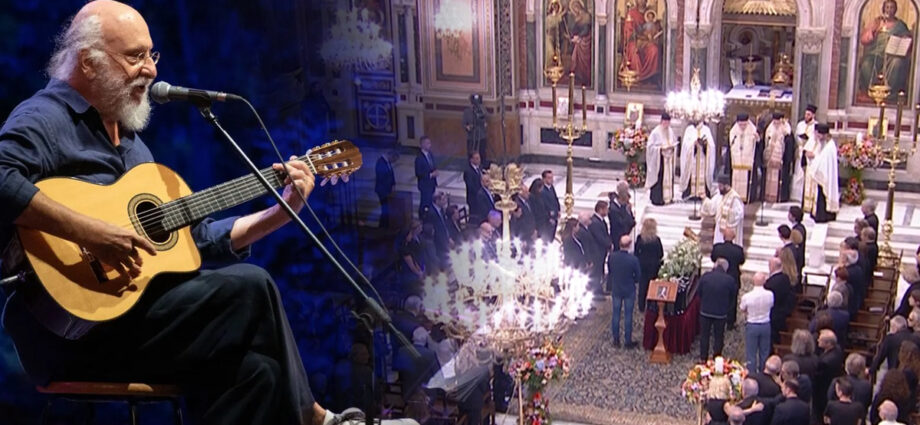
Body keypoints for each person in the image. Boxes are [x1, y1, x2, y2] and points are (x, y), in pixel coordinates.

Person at [0, 3, 416, 425]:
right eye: (135, 57)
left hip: (133, 320)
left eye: (152, 55)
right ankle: (319, 419)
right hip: (68, 334)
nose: (151, 70)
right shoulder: (45, 117)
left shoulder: (133, 147)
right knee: (251, 285)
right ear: (88, 62)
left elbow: (196, 240)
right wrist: (90, 233)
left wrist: (281, 212)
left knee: (258, 372)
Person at [857, 0, 912, 102]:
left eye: (891, 7)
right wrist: (874, 30)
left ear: (895, 10)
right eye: (887, 7)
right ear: (883, 9)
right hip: (875, 54)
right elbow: (864, 40)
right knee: (866, 64)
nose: (889, 10)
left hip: (893, 55)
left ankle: (890, 93)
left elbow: (908, 41)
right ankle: (872, 91)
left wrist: (903, 39)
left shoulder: (900, 25)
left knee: (897, 63)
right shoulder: (877, 22)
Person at [699, 259, 738, 361]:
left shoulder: (705, 277)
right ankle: (717, 358)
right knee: (719, 336)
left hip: (705, 311)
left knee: (704, 335)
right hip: (721, 313)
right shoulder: (730, 280)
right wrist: (727, 308)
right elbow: (733, 297)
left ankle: (703, 358)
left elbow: (699, 292)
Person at [608, 235, 641, 348]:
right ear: (630, 245)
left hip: (616, 288)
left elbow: (610, 271)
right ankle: (627, 340)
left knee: (616, 314)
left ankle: (616, 339)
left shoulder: (612, 257)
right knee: (628, 315)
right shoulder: (633, 260)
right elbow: (638, 276)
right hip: (629, 289)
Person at [803, 124, 839, 223]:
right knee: (820, 197)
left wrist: (815, 162)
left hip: (825, 177)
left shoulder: (830, 147)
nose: (818, 137)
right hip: (821, 176)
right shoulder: (824, 144)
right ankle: (818, 215)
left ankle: (823, 216)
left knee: (823, 197)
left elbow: (823, 162)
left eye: (819, 135)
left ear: (824, 135)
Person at [712, 227, 745, 329]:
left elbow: (713, 258)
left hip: (718, 277)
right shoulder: (738, 250)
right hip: (733, 277)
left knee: (718, 297)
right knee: (732, 300)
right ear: (734, 237)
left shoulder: (717, 248)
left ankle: (717, 319)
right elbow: (742, 261)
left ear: (723, 236)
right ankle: (730, 322)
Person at [740, 272, 773, 372]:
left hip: (752, 324)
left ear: (753, 281)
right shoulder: (770, 295)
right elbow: (771, 305)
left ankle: (751, 373)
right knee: (764, 352)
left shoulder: (747, 296)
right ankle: (764, 372)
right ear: (764, 281)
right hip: (765, 324)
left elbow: (742, 308)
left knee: (751, 353)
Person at [622, 0, 661, 83]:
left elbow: (655, 29)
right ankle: (636, 75)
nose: (642, 1)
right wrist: (638, 37)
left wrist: (652, 34)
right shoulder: (632, 13)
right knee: (633, 50)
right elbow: (628, 32)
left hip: (647, 41)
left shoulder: (650, 12)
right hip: (634, 40)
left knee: (654, 50)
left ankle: (649, 76)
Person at [646, 113, 677, 205]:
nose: (667, 124)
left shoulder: (670, 131)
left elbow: (673, 142)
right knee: (659, 179)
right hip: (659, 160)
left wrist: (672, 147)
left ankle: (668, 197)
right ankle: (658, 199)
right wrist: (660, 149)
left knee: (669, 177)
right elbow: (650, 147)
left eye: (668, 122)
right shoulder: (655, 132)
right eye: (665, 122)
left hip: (668, 159)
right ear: (661, 121)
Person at [634, 218, 663, 312]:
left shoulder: (640, 238)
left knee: (642, 285)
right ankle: (651, 305)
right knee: (652, 286)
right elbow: (660, 254)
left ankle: (641, 305)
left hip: (642, 265)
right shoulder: (656, 240)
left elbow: (636, 251)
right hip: (653, 266)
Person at [680, 121, 716, 199]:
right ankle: (690, 193)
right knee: (690, 173)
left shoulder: (706, 130)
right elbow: (685, 146)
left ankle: (703, 193)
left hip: (703, 158)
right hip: (692, 159)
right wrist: (694, 145)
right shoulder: (689, 130)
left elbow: (712, 146)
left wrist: (705, 144)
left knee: (703, 174)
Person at [729, 113, 760, 203]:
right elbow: (731, 145)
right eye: (740, 125)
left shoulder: (752, 130)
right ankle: (735, 197)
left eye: (744, 125)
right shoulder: (733, 132)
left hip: (748, 163)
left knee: (749, 180)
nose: (742, 127)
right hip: (737, 162)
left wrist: (757, 139)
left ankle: (749, 198)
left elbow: (757, 147)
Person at [815, 330, 845, 419]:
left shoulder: (826, 362)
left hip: (823, 390)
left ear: (828, 344)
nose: (817, 340)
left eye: (820, 340)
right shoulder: (837, 349)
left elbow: (818, 378)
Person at [709, 174, 745, 245]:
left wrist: (729, 213)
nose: (719, 188)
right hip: (719, 229)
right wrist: (704, 200)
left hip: (729, 230)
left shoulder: (735, 198)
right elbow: (712, 206)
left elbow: (739, 214)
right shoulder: (719, 195)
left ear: (726, 185)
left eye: (720, 186)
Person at [765, 257, 794, 343]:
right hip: (783, 310)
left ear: (772, 267)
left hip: (775, 315)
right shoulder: (785, 277)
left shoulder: (771, 284)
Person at [764, 112, 790, 203]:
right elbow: (766, 140)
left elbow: (787, 138)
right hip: (770, 155)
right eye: (774, 121)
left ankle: (777, 196)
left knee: (777, 177)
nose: (776, 123)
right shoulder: (769, 128)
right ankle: (768, 195)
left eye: (777, 121)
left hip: (779, 156)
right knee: (769, 177)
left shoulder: (784, 128)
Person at [792, 104, 817, 202]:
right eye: (806, 114)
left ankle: (806, 196)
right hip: (800, 151)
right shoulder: (800, 125)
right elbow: (796, 137)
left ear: (813, 115)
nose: (806, 116)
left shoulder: (816, 126)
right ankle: (796, 196)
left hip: (809, 154)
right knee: (798, 174)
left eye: (809, 115)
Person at [567, 0, 593, 86]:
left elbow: (586, 29)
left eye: (576, 7)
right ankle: (577, 74)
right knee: (575, 54)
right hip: (579, 39)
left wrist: (579, 37)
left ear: (579, 6)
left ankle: (584, 75)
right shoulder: (576, 17)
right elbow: (575, 29)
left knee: (579, 53)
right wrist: (572, 36)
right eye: (573, 8)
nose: (575, 9)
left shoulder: (586, 16)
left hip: (585, 39)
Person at [588, 200, 612, 293]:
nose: (607, 211)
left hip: (601, 250)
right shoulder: (595, 222)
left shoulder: (601, 221)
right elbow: (599, 237)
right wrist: (608, 244)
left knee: (600, 269)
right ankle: (596, 290)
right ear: (600, 209)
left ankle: (599, 289)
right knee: (596, 271)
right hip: (597, 251)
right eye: (606, 209)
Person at [415, 135, 438, 218]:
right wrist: (431, 175)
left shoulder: (430, 154)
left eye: (430, 143)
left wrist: (435, 171)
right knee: (425, 202)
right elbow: (418, 173)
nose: (430, 145)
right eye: (427, 143)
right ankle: (422, 217)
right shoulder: (419, 158)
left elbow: (433, 165)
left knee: (430, 201)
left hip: (431, 183)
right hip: (424, 184)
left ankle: (429, 217)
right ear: (422, 144)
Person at [608, 181, 636, 250]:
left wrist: (629, 213)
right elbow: (620, 224)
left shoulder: (625, 205)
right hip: (618, 238)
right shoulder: (613, 209)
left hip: (625, 235)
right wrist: (628, 213)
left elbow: (632, 222)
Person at [375, 150, 398, 228]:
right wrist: (389, 188)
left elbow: (391, 175)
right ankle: (383, 226)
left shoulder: (388, 163)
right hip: (382, 191)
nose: (394, 162)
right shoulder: (381, 163)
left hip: (387, 190)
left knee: (387, 209)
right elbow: (382, 178)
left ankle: (385, 225)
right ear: (390, 156)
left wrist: (393, 185)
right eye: (394, 159)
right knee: (385, 209)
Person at [462, 94, 487, 160]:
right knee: (471, 154)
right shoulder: (467, 111)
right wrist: (468, 127)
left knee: (482, 153)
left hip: (481, 136)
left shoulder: (482, 110)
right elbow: (464, 124)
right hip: (471, 137)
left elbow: (484, 120)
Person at [539, 170, 560, 240]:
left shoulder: (551, 187)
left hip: (555, 215)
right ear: (544, 179)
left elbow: (555, 198)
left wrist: (558, 209)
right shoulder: (542, 190)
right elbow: (544, 204)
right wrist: (550, 214)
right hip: (547, 218)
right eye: (549, 178)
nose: (551, 180)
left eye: (552, 177)